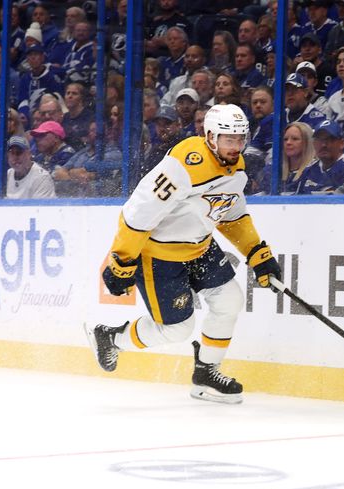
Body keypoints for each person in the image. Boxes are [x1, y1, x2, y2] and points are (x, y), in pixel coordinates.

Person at [85, 104, 282, 405]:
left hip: (200, 246)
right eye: (230, 139)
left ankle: (206, 373)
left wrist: (258, 253)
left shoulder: (237, 166)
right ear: (211, 136)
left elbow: (231, 213)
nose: (236, 146)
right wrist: (122, 260)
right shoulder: (184, 164)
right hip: (158, 255)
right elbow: (138, 212)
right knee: (177, 328)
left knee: (230, 299)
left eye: (241, 139)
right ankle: (110, 338)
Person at [298, 120, 344, 194]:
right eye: (319, 139)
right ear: (313, 143)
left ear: (342, 143)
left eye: (330, 139)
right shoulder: (309, 169)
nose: (323, 145)